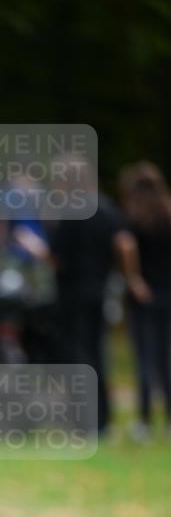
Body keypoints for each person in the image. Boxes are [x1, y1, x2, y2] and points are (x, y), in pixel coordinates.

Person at [49, 157, 129, 437]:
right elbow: (123, 246)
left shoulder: (69, 212)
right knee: (98, 353)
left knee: (76, 356)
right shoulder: (107, 208)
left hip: (72, 295)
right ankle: (103, 419)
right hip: (101, 291)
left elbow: (57, 258)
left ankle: (83, 421)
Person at [115, 162, 171, 441]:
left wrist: (134, 278)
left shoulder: (134, 217)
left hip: (143, 295)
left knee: (145, 358)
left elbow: (125, 245)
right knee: (166, 358)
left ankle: (145, 421)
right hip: (167, 293)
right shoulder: (167, 213)